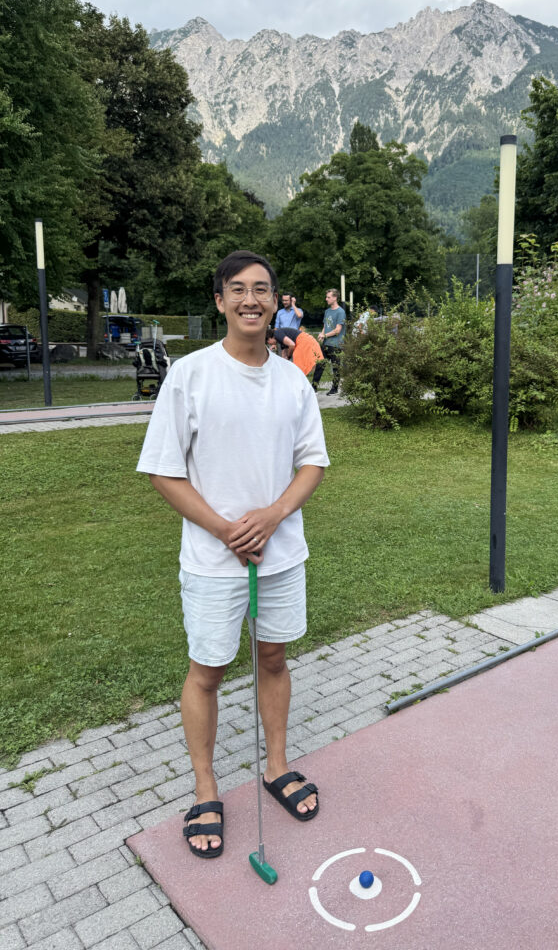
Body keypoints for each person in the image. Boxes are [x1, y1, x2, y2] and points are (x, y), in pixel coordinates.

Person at [136, 250, 329, 859]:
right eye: (238, 289)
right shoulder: (190, 375)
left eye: (263, 290)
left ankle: (275, 768)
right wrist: (226, 530)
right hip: (214, 561)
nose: (251, 299)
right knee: (208, 672)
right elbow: (164, 473)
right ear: (219, 300)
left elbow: (312, 463)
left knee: (272, 658)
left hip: (280, 555)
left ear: (277, 301)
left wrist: (272, 515)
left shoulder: (292, 379)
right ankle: (205, 789)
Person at [316, 288, 346, 394]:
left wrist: (324, 335)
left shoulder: (340, 312)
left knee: (336, 367)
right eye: (326, 297)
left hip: (336, 344)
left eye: (328, 297)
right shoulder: (327, 311)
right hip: (325, 343)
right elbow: (325, 326)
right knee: (320, 365)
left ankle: (334, 388)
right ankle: (313, 387)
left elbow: (338, 330)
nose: (326, 299)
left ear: (335, 298)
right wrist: (321, 334)